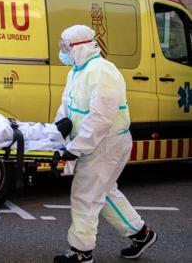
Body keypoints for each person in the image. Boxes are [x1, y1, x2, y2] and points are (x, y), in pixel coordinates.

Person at [52, 25, 157, 263]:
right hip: (93, 144)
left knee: (85, 197)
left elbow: (100, 118)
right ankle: (141, 234)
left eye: (65, 47)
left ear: (81, 46)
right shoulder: (76, 71)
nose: (62, 51)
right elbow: (67, 106)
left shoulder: (103, 72)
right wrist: (58, 129)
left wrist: (74, 147)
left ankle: (82, 252)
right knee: (104, 192)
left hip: (106, 145)